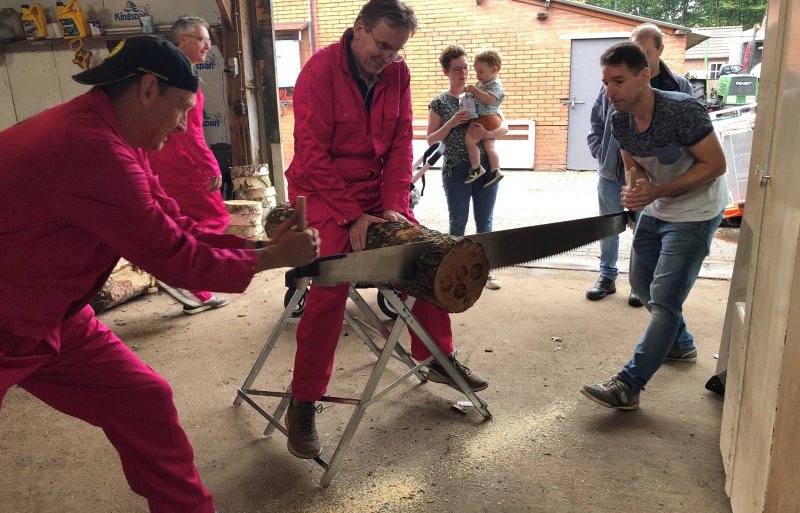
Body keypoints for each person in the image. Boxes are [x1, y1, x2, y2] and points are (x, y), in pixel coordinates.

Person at [0, 36, 319, 513]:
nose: (185, 124)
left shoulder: (118, 139)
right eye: (183, 109)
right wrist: (273, 260)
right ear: (149, 89)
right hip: (10, 317)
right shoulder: (89, 147)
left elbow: (174, 224)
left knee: (143, 399)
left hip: (48, 315)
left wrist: (259, 247)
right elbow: (171, 256)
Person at [283, 0, 489, 460]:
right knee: (331, 284)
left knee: (423, 254)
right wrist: (350, 214)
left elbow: (400, 144)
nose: (388, 58)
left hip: (377, 192)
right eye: (382, 46)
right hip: (320, 192)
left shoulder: (398, 72)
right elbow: (311, 154)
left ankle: (435, 356)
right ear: (358, 30)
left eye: (396, 50)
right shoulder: (318, 72)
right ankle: (303, 399)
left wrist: (394, 205)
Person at [581, 42, 727, 410]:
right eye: (605, 82)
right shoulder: (620, 119)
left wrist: (655, 191)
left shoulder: (682, 110)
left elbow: (715, 164)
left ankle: (629, 385)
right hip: (659, 206)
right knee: (641, 284)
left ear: (644, 76)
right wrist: (635, 190)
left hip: (697, 211)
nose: (609, 90)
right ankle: (680, 345)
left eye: (618, 81)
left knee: (664, 298)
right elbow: (635, 165)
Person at [586, 23, 693, 306]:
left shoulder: (678, 87)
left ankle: (639, 282)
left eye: (645, 53)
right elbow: (598, 120)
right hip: (612, 171)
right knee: (608, 226)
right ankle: (607, 275)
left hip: (653, 178)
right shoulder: (615, 85)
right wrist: (601, 151)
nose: (640, 58)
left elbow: (693, 144)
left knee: (644, 229)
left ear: (659, 49)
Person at [149, 16, 231, 315]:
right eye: (201, 39)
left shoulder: (160, 73)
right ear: (181, 40)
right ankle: (181, 279)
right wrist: (210, 165)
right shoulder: (183, 77)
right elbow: (189, 130)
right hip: (181, 161)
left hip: (157, 158)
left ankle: (189, 286)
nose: (208, 45)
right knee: (214, 217)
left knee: (179, 218)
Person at [427, 44, 508, 290]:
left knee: (485, 221)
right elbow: (431, 139)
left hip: (484, 167)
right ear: (445, 72)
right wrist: (451, 122)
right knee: (458, 223)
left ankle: (487, 270)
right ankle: (455, 270)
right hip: (456, 169)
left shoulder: (481, 93)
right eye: (456, 70)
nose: (463, 73)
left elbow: (504, 128)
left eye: (465, 68)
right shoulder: (439, 102)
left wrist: (488, 132)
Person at [464, 49, 505, 187]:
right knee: (489, 145)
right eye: (476, 72)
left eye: (481, 72)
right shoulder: (482, 84)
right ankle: (495, 170)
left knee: (469, 141)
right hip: (488, 118)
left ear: (494, 69)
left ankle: (476, 168)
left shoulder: (495, 85)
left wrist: (475, 90)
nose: (477, 75)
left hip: (488, 118)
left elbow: (488, 100)